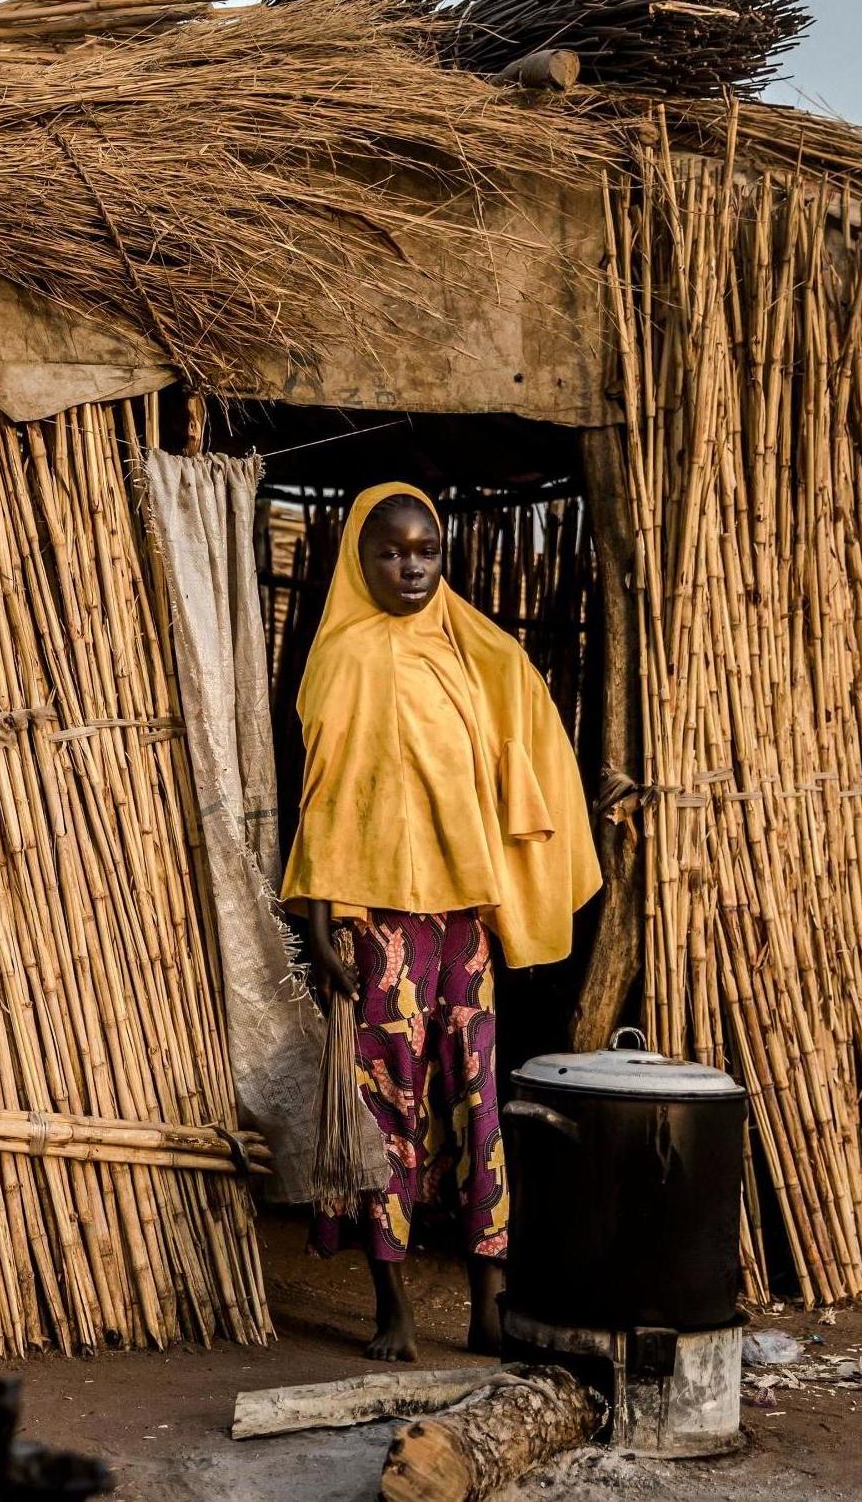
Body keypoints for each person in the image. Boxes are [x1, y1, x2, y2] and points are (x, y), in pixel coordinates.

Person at [282, 482, 600, 1361]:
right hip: (377, 923)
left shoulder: (467, 646)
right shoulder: (342, 659)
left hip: (462, 922)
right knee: (386, 1108)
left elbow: (520, 730)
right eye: (390, 552)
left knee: (477, 1102)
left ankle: (486, 1303)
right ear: (359, 558)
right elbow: (323, 802)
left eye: (426, 550)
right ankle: (393, 1306)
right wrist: (321, 929)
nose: (411, 566)